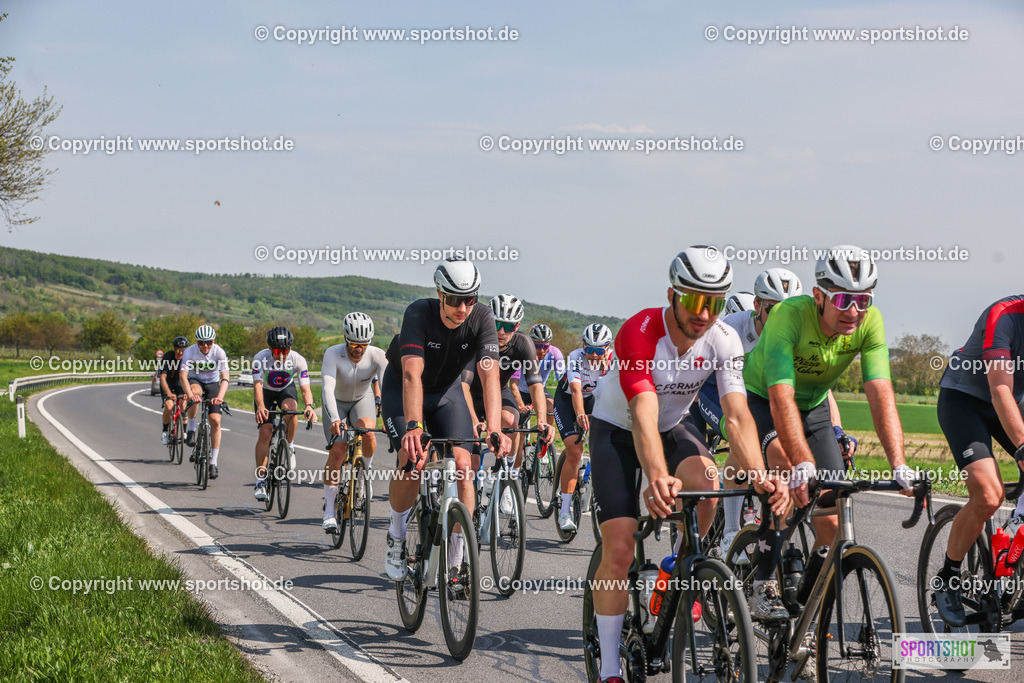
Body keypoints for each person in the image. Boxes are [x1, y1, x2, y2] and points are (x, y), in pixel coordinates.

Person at [588, 246, 787, 682]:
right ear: (672, 295)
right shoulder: (639, 331)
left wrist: (759, 475)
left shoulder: (724, 339)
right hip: (616, 431)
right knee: (619, 549)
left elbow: (736, 415)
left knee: (707, 484)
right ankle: (607, 668)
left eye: (715, 303)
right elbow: (642, 410)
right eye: (696, 301)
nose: (705, 313)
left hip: (671, 427)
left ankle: (677, 570)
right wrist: (657, 478)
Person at [742, 246, 915, 617]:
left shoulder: (870, 322)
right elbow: (780, 397)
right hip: (759, 400)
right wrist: (803, 462)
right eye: (842, 299)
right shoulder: (788, 315)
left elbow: (880, 391)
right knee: (788, 472)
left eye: (863, 300)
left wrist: (898, 463)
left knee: (833, 519)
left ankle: (804, 607)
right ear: (819, 296)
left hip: (815, 405)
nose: (854, 311)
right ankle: (759, 585)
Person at [380, 259, 512, 581]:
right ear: (440, 293)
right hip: (404, 388)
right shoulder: (418, 312)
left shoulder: (481, 317)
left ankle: (456, 556)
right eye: (454, 299)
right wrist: (414, 426)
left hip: (446, 392)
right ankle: (396, 536)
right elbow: (412, 373)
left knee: (466, 467)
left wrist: (494, 428)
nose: (463, 308)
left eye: (471, 299)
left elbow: (490, 376)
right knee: (412, 459)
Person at [931, 295, 1024, 626]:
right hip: (966, 402)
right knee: (988, 495)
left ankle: (1015, 563)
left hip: (1015, 402)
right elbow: (1000, 389)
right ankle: (949, 576)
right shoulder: (1005, 315)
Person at [461, 294, 553, 511]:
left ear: (518, 326)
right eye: (496, 324)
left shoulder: (523, 342)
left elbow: (535, 384)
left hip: (498, 392)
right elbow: (463, 384)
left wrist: (542, 420)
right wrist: (475, 420)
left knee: (511, 420)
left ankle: (507, 478)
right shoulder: (475, 338)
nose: (501, 332)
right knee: (471, 457)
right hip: (470, 394)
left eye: (508, 326)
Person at [320, 312, 387, 532]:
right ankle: (329, 511)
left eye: (364, 344)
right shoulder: (333, 353)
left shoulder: (378, 356)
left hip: (362, 399)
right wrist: (336, 419)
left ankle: (363, 477)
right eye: (354, 343)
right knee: (338, 450)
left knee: (368, 433)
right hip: (336, 402)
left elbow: (387, 390)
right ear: (346, 339)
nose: (359, 349)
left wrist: (388, 416)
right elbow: (327, 388)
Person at [554, 323, 613, 532]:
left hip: (594, 402)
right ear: (583, 346)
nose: (594, 355)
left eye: (599, 351)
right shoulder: (576, 357)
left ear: (607, 349)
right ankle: (564, 512)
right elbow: (576, 390)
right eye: (590, 349)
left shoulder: (614, 361)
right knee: (575, 452)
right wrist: (579, 414)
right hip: (568, 402)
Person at [252, 326, 317, 502]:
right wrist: (260, 406)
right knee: (265, 432)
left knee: (291, 410)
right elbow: (257, 385)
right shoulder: (260, 358)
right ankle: (260, 480)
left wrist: (309, 406)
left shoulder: (298, 359)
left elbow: (305, 388)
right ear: (270, 349)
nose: (281, 355)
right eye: (277, 351)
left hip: (285, 390)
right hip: (265, 392)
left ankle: (290, 445)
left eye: (285, 350)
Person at [179, 325, 230, 479]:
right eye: (201, 343)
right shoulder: (190, 351)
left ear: (213, 341)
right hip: (196, 380)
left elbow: (225, 377)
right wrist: (189, 395)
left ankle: (213, 462)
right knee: (195, 394)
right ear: (197, 342)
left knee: (215, 420)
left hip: (213, 383)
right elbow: (183, 376)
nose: (205, 346)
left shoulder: (219, 352)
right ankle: (192, 429)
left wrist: (220, 397)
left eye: (209, 342)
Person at [159, 336, 189, 444]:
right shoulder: (168, 356)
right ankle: (165, 431)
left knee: (183, 404)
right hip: (168, 383)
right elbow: (162, 378)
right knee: (169, 406)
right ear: (174, 348)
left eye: (183, 351)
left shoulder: (188, 359)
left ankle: (184, 431)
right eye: (178, 350)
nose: (180, 353)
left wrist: (187, 393)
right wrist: (168, 393)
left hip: (180, 384)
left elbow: (190, 378)